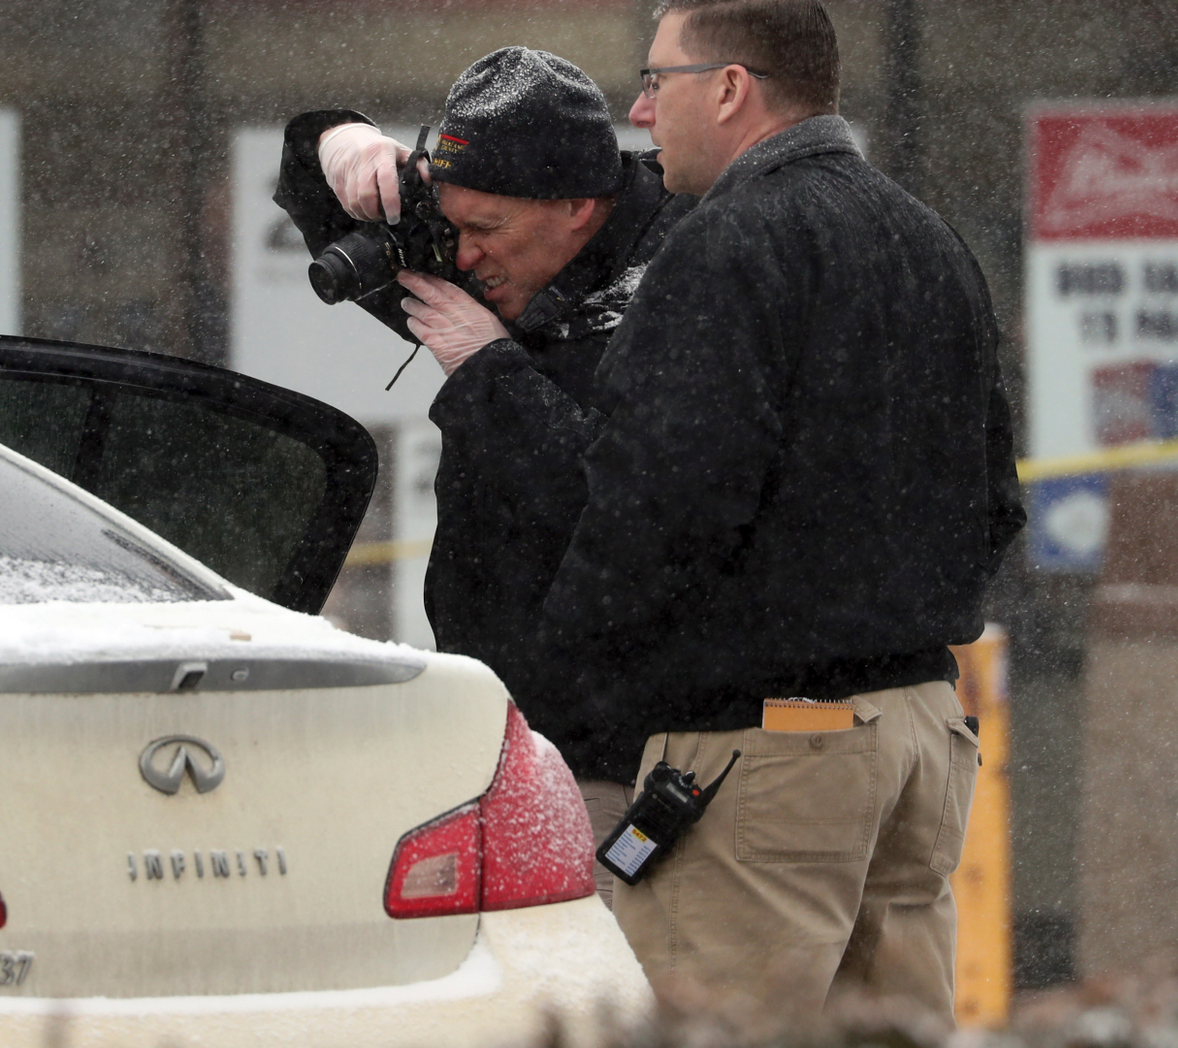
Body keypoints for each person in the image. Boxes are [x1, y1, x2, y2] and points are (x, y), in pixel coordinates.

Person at [398, 0, 1025, 1021]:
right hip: (923, 735)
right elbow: (993, 498)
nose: (640, 113)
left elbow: (656, 510)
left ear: (729, 87)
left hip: (763, 750)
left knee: (704, 1029)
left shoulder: (722, 245)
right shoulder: (925, 237)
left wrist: (554, 691)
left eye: (657, 82)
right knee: (889, 1034)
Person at [275, 52, 693, 899]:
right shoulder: (485, 261)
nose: (460, 259)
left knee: (610, 1020)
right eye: (450, 227)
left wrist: (491, 371)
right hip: (498, 731)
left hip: (625, 755)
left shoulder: (690, 273)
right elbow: (334, 216)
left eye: (485, 231)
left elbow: (621, 507)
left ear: (578, 207)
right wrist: (338, 143)